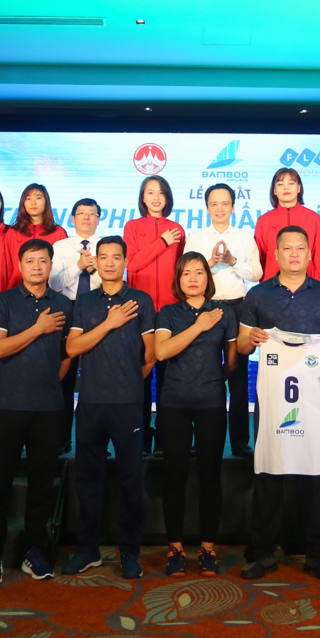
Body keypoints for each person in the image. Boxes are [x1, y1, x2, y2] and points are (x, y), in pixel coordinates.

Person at [237, 225, 320, 582]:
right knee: (269, 471)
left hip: (315, 397)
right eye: (287, 248)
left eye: (301, 248)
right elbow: (241, 346)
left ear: (310, 253)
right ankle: (263, 552)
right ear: (276, 254)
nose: (294, 253)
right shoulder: (257, 295)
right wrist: (252, 339)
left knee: (317, 472)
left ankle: (319, 554)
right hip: (272, 399)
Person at [0, 239, 73, 584]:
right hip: (8, 406)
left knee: (41, 486)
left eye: (43, 261)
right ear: (20, 266)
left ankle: (35, 553)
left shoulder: (63, 304)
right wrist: (37, 329)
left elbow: (67, 354)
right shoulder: (4, 301)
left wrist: (47, 380)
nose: (36, 266)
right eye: (30, 261)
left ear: (51, 265)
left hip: (49, 409)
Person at [62, 236, 156, 579]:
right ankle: (88, 549)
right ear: (96, 262)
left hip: (128, 403)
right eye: (103, 257)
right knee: (88, 479)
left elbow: (151, 353)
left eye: (116, 257)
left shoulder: (141, 300)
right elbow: (73, 348)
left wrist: (129, 380)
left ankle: (129, 551)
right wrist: (108, 323)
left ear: (126, 261)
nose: (110, 263)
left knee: (131, 480)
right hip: (90, 401)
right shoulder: (85, 301)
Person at [155, 252, 238, 577]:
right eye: (186, 272)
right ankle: (175, 548)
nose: (192, 278)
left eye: (199, 272)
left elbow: (231, 360)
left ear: (208, 277)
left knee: (210, 477)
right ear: (178, 279)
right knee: (174, 476)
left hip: (211, 404)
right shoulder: (168, 312)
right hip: (173, 404)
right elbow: (162, 351)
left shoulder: (225, 313)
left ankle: (207, 549)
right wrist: (198, 326)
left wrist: (214, 379)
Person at [184, 184, 262, 457]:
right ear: (207, 207)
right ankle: (200, 441)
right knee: (200, 375)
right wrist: (208, 262)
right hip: (204, 308)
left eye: (225, 203)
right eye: (214, 204)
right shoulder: (196, 238)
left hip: (238, 309)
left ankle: (240, 442)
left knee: (238, 376)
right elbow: (186, 271)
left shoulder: (244, 237)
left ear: (233, 206)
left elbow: (257, 273)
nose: (219, 208)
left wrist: (231, 260)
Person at [124, 176, 185, 456]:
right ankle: (140, 437)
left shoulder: (178, 229)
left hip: (171, 310)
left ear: (168, 197)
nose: (156, 197)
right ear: (143, 198)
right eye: (150, 193)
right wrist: (162, 241)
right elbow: (133, 263)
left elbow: (181, 270)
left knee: (168, 379)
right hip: (141, 309)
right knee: (141, 375)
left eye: (161, 192)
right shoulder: (133, 227)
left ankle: (165, 438)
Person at [50, 198, 103, 453]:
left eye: (91, 213)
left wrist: (93, 270)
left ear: (98, 218)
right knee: (65, 376)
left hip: (98, 308)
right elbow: (53, 283)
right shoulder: (60, 246)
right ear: (72, 219)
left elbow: (116, 279)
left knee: (97, 377)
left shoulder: (106, 246)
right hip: (66, 308)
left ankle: (96, 441)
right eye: (81, 213)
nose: (86, 217)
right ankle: (61, 438)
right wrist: (79, 266)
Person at [254, 168, 320, 281]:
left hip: (307, 284)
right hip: (272, 285)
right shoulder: (264, 221)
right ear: (274, 190)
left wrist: (315, 284)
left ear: (299, 188)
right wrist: (265, 284)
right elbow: (259, 259)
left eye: (291, 183)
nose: (286, 188)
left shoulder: (314, 219)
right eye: (280, 184)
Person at [8, 183, 68, 288]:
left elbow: (64, 269)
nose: (33, 202)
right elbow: (6, 267)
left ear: (46, 202)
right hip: (16, 290)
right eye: (28, 198)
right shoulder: (12, 232)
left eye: (38, 198)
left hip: (50, 291)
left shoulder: (58, 233)